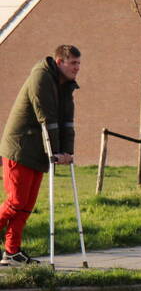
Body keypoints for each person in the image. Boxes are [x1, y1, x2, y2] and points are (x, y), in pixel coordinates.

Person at [0, 45, 81, 266]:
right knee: (16, 201)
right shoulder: (41, 77)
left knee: (26, 205)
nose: (77, 68)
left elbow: (67, 122)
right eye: (73, 63)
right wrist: (55, 152)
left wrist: (67, 152)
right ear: (59, 61)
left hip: (39, 151)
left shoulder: (66, 85)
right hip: (21, 148)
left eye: (78, 63)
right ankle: (11, 251)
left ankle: (12, 252)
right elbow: (47, 118)